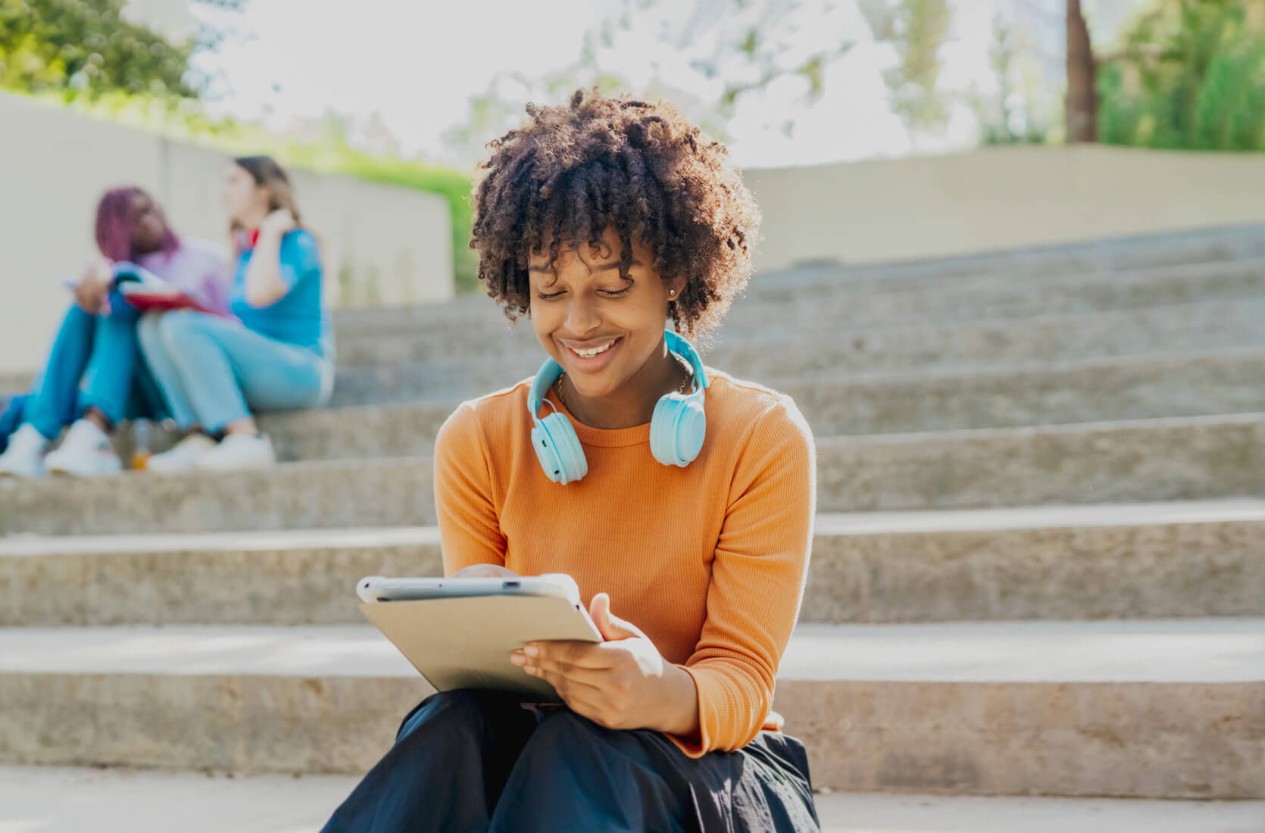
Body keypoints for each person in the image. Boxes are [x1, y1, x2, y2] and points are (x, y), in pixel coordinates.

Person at [320, 90, 821, 832]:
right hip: (542, 766)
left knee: (582, 747)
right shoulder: (478, 439)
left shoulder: (760, 434)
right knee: (449, 725)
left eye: (612, 288)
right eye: (550, 291)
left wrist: (657, 691)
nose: (578, 323)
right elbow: (485, 692)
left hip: (713, 768)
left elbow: (742, 682)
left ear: (676, 275)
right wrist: (481, 613)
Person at [0, 187, 228, 479]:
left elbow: (223, 328)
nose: (150, 219)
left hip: (183, 384)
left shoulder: (204, 257)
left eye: (150, 208)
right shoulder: (113, 272)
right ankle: (33, 438)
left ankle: (90, 432)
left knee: (120, 299)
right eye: (136, 217)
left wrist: (119, 278)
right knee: (86, 306)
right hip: (129, 386)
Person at [138, 155, 334, 472]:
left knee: (183, 326)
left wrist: (270, 233)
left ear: (264, 191)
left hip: (302, 372)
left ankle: (246, 438)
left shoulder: (299, 241)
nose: (224, 191)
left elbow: (260, 294)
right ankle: (199, 433)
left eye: (234, 181)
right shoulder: (242, 251)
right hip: (258, 366)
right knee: (153, 326)